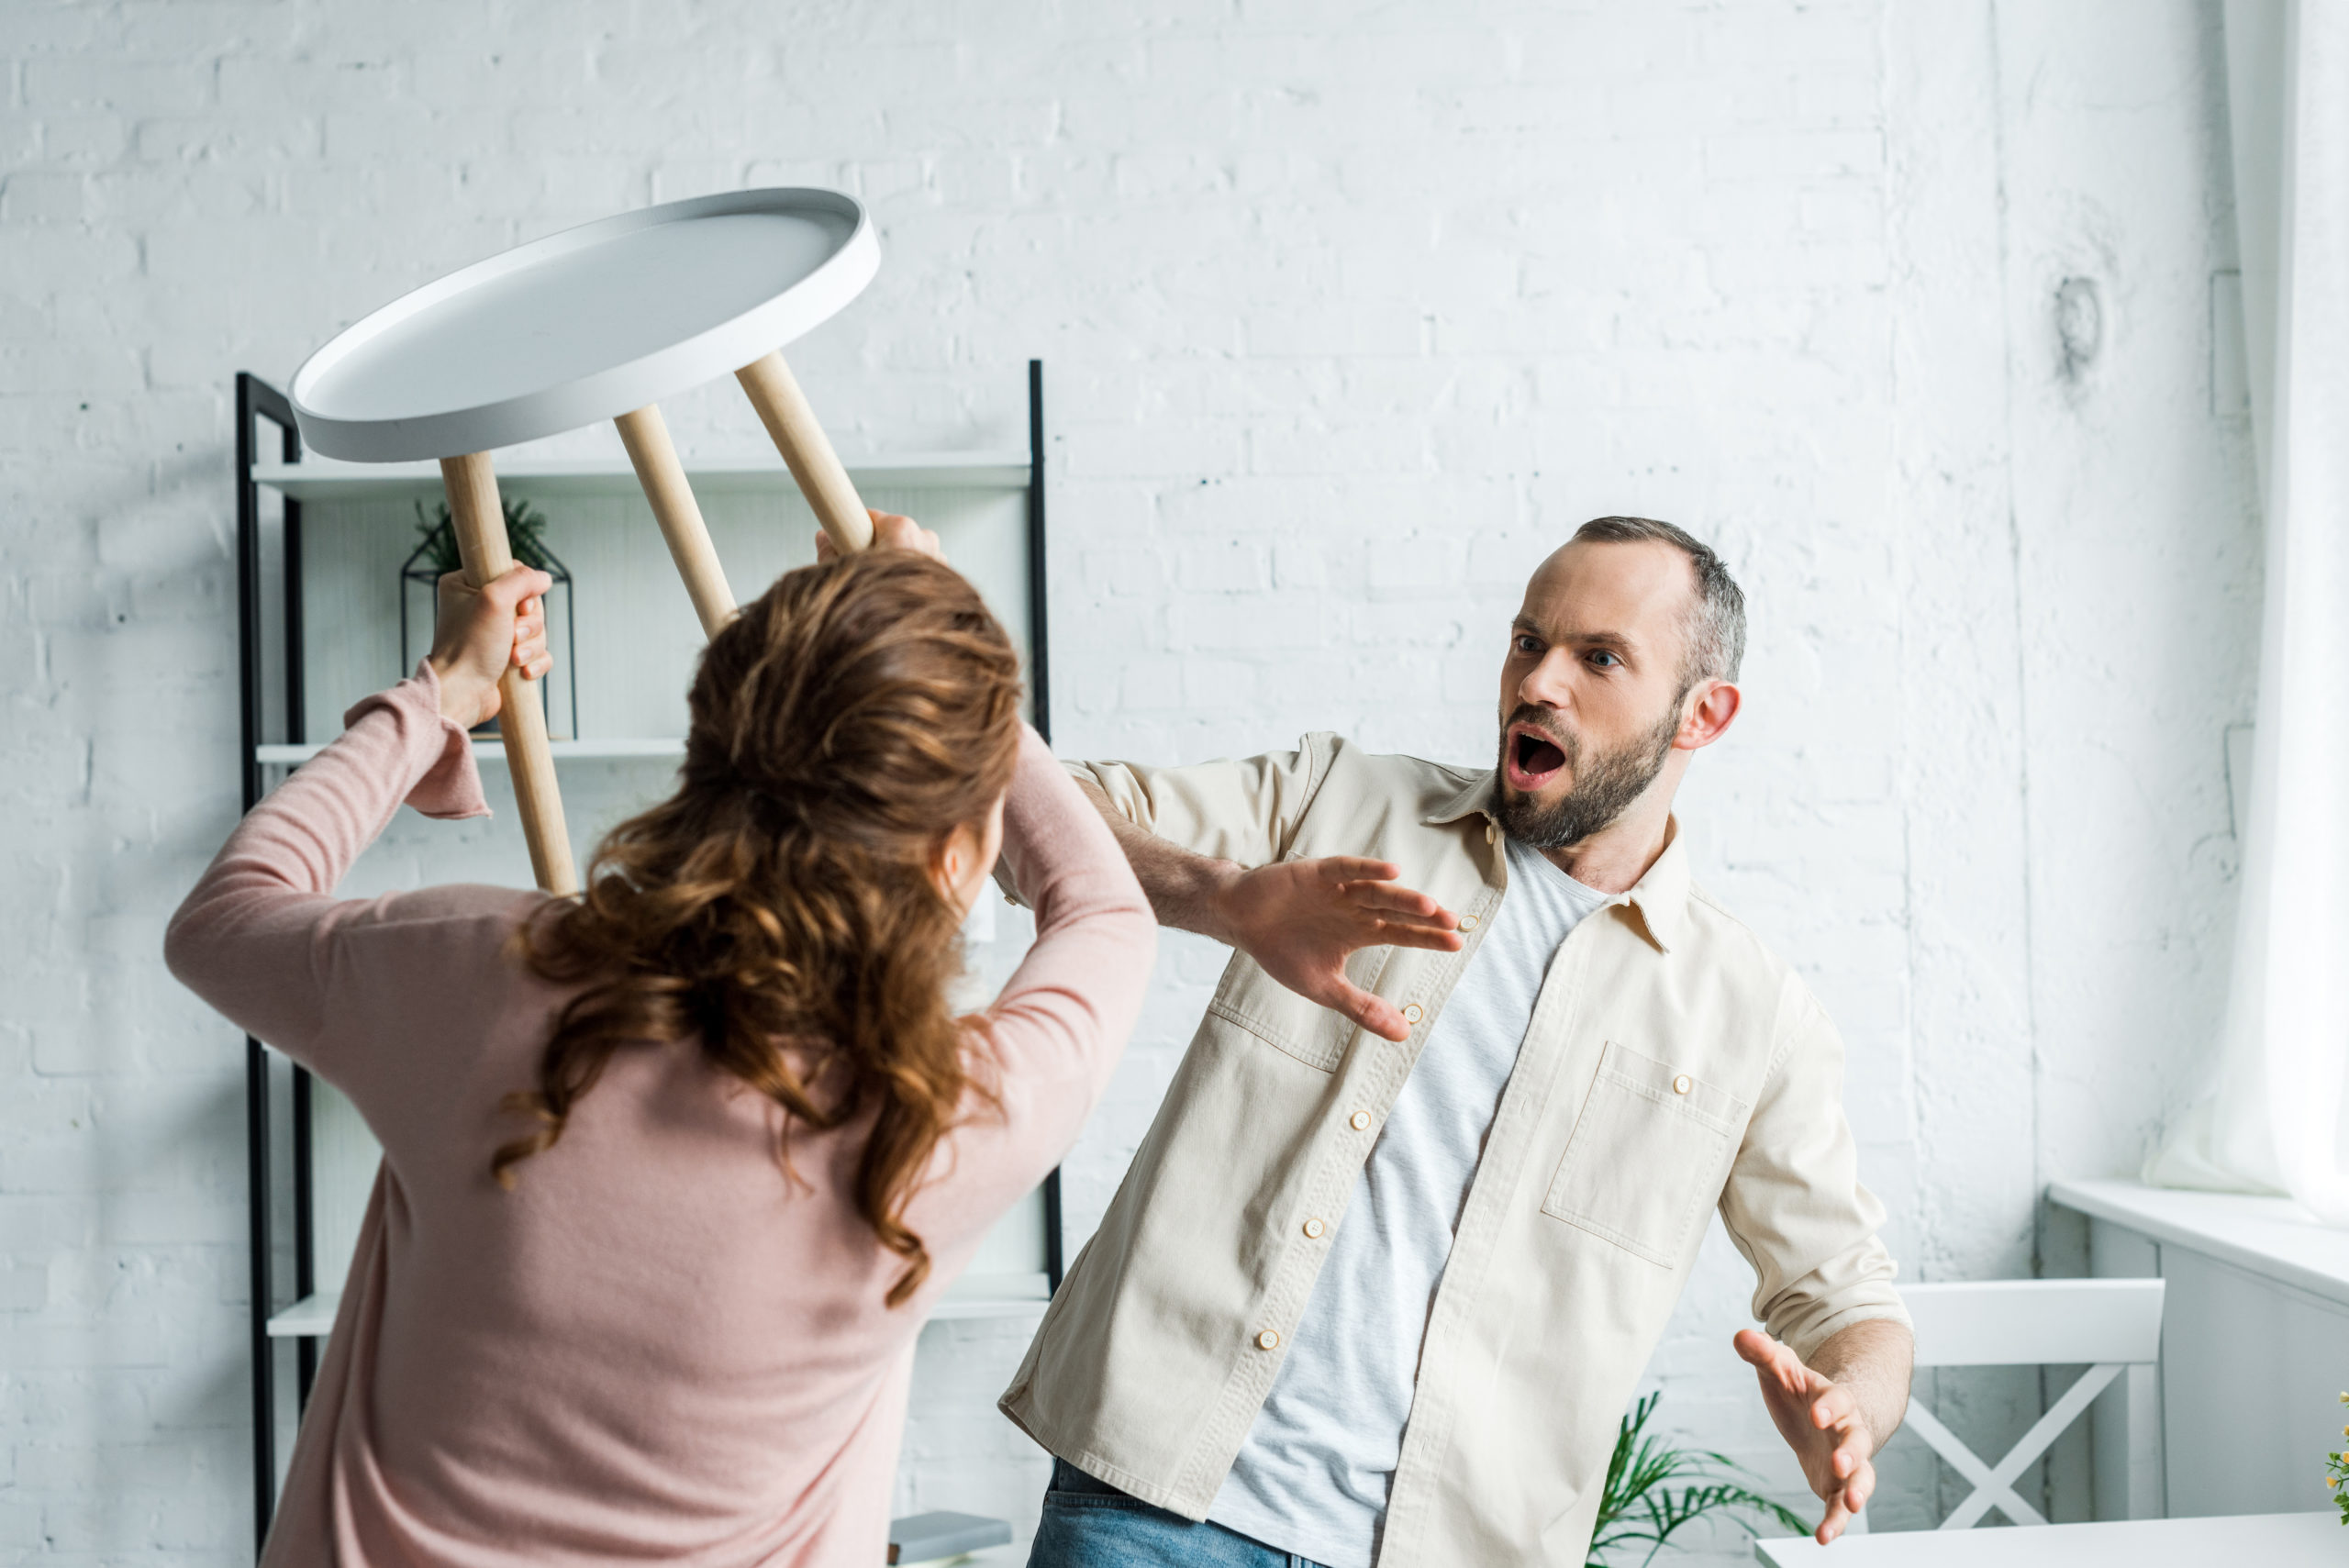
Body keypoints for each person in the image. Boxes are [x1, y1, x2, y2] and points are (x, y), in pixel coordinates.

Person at [166, 516, 1154, 1567]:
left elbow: (224, 919)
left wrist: (440, 694)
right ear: (956, 856)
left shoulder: (471, 973)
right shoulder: (952, 1115)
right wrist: (952, 657)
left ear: (703, 758)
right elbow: (1102, 908)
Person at [1006, 517, 1913, 1568]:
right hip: (1156, 1511)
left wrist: (1851, 1401)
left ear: (1701, 714)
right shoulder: (1338, 803)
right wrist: (1227, 899)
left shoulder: (1753, 1014)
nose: (1538, 681)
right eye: (1527, 641)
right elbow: (1033, 814)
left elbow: (1844, 1293)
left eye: (1598, 657)